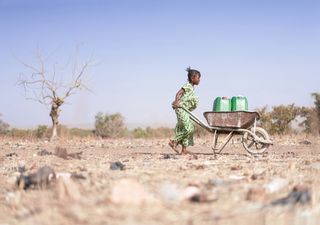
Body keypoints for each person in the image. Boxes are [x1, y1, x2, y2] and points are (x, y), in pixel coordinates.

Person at [169, 67, 201, 154]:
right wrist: (176, 102)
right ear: (192, 78)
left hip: (185, 110)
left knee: (185, 128)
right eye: (198, 78)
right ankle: (174, 142)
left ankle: (184, 149)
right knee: (189, 128)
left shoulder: (192, 88)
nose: (199, 80)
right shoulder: (188, 85)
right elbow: (178, 93)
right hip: (180, 109)